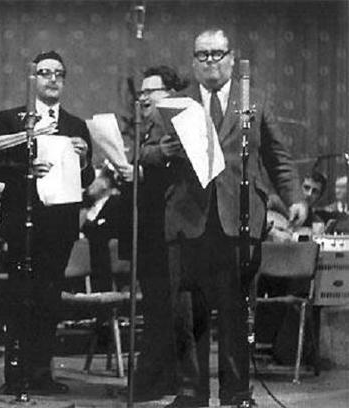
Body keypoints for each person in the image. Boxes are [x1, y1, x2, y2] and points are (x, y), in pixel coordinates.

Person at [154, 28, 307, 408]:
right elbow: (145, 154)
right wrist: (163, 150)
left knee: (237, 311)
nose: (210, 61)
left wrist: (294, 198)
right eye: (202, 54)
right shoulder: (176, 104)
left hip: (238, 220)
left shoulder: (254, 101)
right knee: (188, 314)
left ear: (231, 58)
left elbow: (277, 156)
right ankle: (191, 393)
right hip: (188, 220)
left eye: (217, 53)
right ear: (193, 61)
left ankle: (237, 394)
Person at [0, 50, 94, 396]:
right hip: (22, 222)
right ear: (33, 79)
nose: (53, 79)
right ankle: (15, 375)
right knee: (20, 298)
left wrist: (84, 160)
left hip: (59, 227)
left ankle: (41, 373)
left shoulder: (76, 125)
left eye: (59, 73)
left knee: (49, 300)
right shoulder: (11, 119)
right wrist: (25, 171)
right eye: (45, 72)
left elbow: (87, 179)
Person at [116, 65, 187, 401]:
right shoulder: (149, 127)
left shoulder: (175, 122)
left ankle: (153, 380)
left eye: (150, 92)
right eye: (141, 92)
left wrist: (143, 162)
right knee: (157, 306)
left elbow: (169, 159)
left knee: (161, 307)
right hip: (149, 230)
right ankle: (161, 379)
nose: (142, 98)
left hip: (166, 231)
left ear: (169, 94)